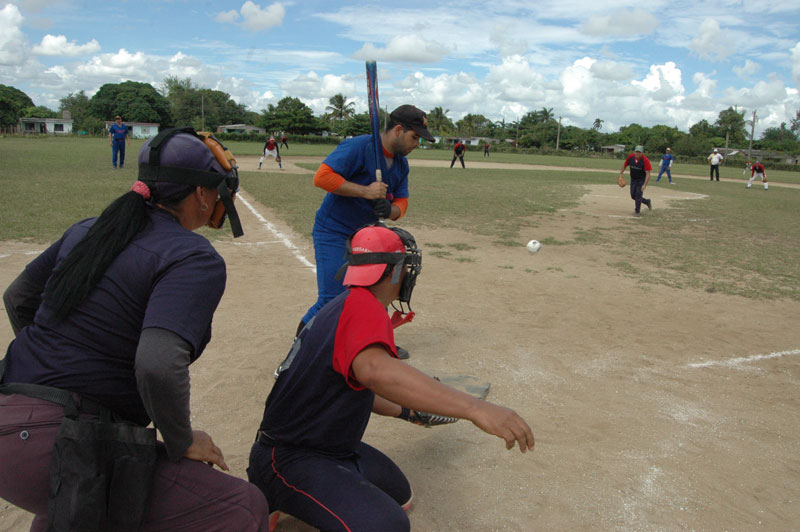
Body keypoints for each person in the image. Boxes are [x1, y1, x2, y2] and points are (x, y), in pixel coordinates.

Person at [0, 128, 269, 531]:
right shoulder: (192, 255)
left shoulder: (89, 229)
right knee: (242, 507)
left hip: (12, 416)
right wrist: (181, 438)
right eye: (215, 191)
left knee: (81, 506)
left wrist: (54, 361)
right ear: (200, 193)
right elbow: (158, 362)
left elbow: (19, 297)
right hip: (55, 443)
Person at [248, 224, 535, 532]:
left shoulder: (350, 302)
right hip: (288, 456)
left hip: (325, 445)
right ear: (396, 271)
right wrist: (475, 408)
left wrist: (409, 412)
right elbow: (374, 371)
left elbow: (356, 384)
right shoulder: (364, 307)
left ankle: (304, 490)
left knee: (400, 495)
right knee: (388, 526)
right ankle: (272, 494)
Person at [296, 104, 434, 338]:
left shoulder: (401, 163)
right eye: (415, 137)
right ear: (398, 130)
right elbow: (322, 177)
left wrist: (389, 210)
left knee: (378, 295)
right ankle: (301, 346)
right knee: (332, 297)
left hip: (369, 236)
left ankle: (375, 343)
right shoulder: (359, 147)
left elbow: (402, 203)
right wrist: (365, 192)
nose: (417, 143)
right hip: (334, 230)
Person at [618, 145, 653, 217]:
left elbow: (648, 173)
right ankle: (647, 201)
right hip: (633, 179)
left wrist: (644, 185)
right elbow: (624, 165)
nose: (637, 153)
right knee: (633, 195)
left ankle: (637, 211)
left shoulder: (645, 160)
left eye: (639, 152)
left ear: (642, 153)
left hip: (641, 180)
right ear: (634, 151)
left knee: (638, 194)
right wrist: (621, 174)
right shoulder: (630, 157)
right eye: (636, 151)